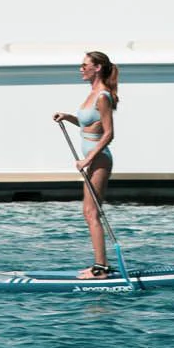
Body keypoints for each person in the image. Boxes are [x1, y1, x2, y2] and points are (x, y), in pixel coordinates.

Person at [52, 51, 120, 278]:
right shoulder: (91, 93)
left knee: (92, 213)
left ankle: (101, 269)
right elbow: (86, 123)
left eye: (84, 65)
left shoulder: (103, 96)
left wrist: (88, 160)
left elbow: (109, 134)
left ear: (97, 68)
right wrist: (67, 117)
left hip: (99, 160)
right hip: (90, 161)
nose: (81, 69)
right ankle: (99, 264)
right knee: (88, 212)